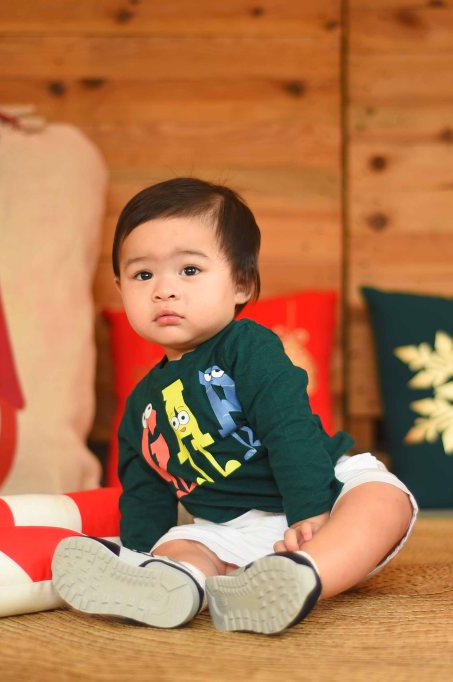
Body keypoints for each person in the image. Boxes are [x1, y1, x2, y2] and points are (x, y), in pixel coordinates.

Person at [51, 177, 417, 634]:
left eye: (189, 270)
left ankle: (303, 576)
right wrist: (139, 552)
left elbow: (288, 426)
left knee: (385, 500)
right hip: (228, 528)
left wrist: (310, 509)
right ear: (120, 287)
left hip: (322, 495)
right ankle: (174, 584)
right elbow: (145, 493)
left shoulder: (247, 347)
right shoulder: (141, 407)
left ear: (241, 283)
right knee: (178, 546)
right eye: (143, 275)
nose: (163, 290)